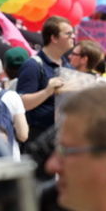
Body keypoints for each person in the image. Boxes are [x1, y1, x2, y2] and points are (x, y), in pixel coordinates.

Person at [16, 16, 73, 145]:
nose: (73, 36)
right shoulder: (33, 65)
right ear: (53, 38)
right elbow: (22, 104)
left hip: (60, 136)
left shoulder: (67, 66)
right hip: (38, 138)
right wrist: (47, 91)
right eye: (68, 34)